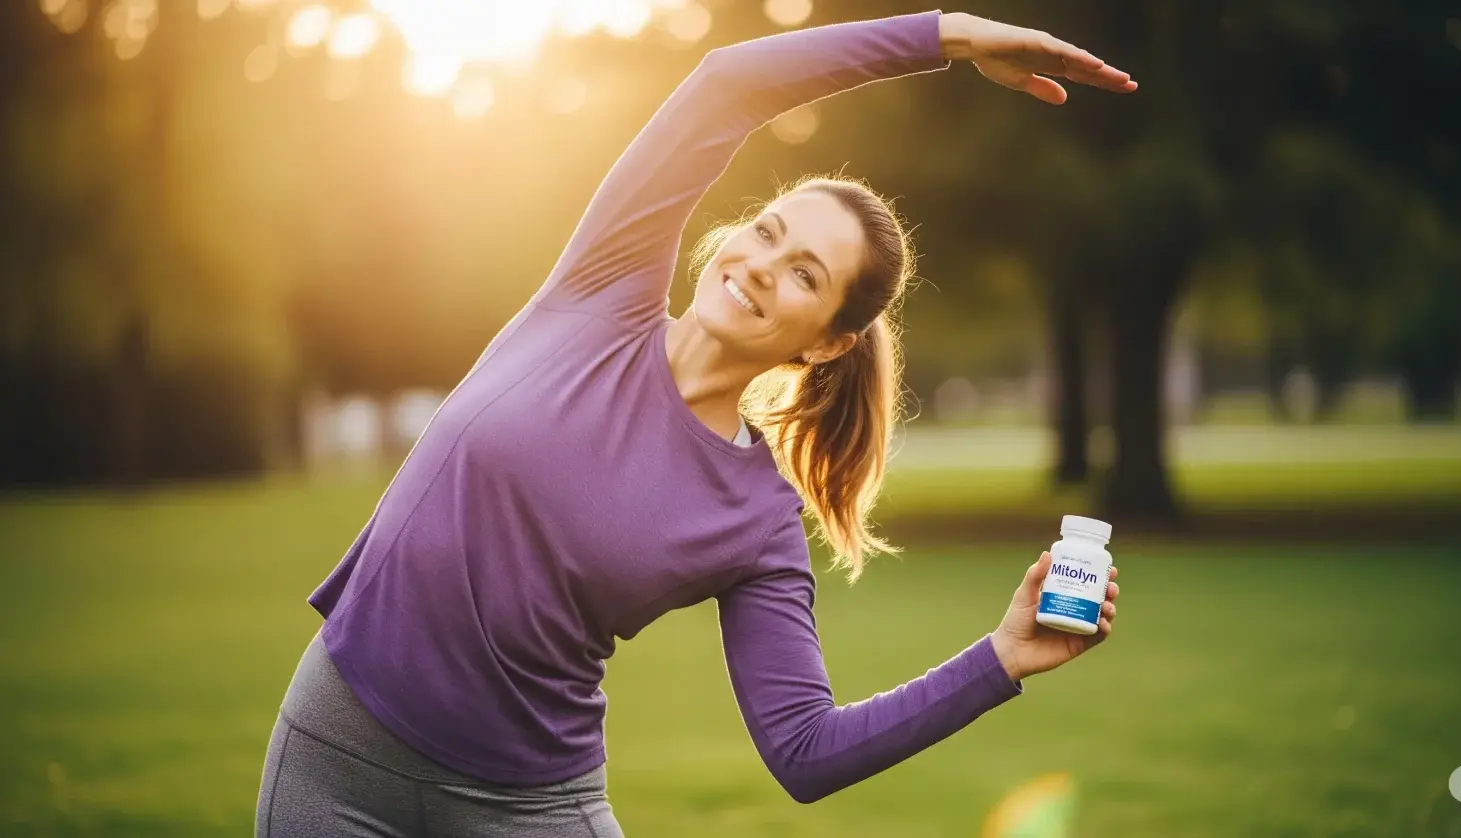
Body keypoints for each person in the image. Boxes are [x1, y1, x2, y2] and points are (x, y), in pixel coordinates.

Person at [257, 9, 1133, 837]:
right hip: (338, 756)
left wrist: (1003, 657)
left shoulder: (757, 522)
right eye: (766, 230)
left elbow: (805, 750)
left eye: (803, 274)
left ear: (829, 342)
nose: (757, 266)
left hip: (522, 806)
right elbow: (727, 85)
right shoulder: (603, 288)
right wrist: (950, 35)